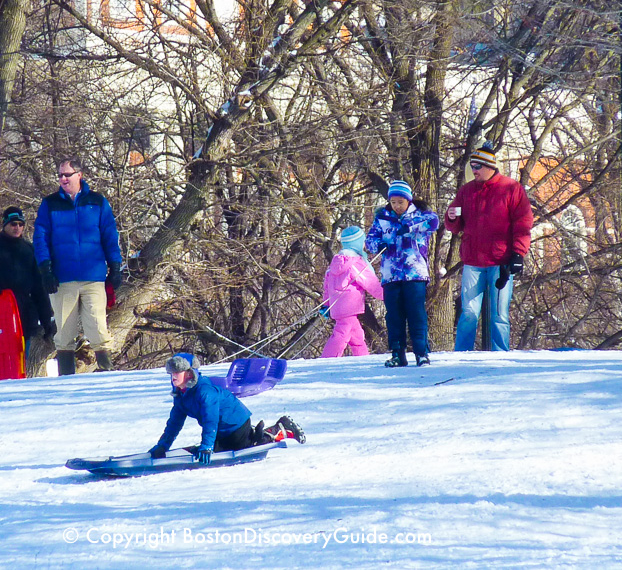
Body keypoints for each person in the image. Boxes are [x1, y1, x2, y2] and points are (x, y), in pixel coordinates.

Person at [33, 158, 123, 375]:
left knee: (97, 325)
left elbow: (109, 234)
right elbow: (40, 238)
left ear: (79, 175)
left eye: (67, 174)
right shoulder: (50, 204)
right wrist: (45, 269)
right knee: (64, 331)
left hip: (93, 275)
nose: (63, 178)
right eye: (60, 175)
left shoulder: (97, 202)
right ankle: (66, 376)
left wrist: (115, 265)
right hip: (63, 278)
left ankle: (106, 370)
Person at [444, 144, 533, 351]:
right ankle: (461, 354)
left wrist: (518, 253)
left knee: (499, 314)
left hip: (501, 262)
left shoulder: (511, 188)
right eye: (472, 165)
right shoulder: (466, 191)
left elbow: (523, 222)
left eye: (477, 166)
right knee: (468, 312)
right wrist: (451, 219)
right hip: (473, 262)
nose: (473, 170)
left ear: (490, 166)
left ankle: (500, 353)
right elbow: (455, 226)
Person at [148, 353, 305, 465]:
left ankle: (280, 429)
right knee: (217, 450)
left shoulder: (204, 391)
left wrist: (207, 446)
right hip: (222, 430)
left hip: (235, 423)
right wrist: (163, 446)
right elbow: (174, 424)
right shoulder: (181, 395)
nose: (173, 376)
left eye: (177, 372)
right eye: (172, 372)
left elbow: (211, 420)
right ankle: (235, 440)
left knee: (249, 448)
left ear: (189, 374)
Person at [366, 180, 440, 367]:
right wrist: (381, 244)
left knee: (416, 313)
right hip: (391, 274)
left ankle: (421, 352)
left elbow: (434, 223)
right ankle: (397, 353)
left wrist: (408, 227)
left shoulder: (420, 215)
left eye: (401, 202)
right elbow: (370, 241)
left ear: (408, 200)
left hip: (414, 273)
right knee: (394, 315)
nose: (397, 206)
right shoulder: (383, 218)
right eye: (394, 202)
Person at [0, 206, 55, 357]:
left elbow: (38, 289)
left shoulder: (29, 249)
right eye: (13, 224)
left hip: (24, 313)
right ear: (5, 225)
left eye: (21, 224)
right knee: (0, 357)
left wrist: (47, 319)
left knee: (20, 359)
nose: (17, 228)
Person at [320, 226, 384, 358]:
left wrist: (326, 304)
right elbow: (370, 282)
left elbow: (327, 284)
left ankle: (362, 358)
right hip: (349, 306)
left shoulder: (336, 262)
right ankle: (328, 359)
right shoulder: (355, 262)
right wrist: (386, 295)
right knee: (341, 335)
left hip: (337, 306)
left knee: (357, 336)